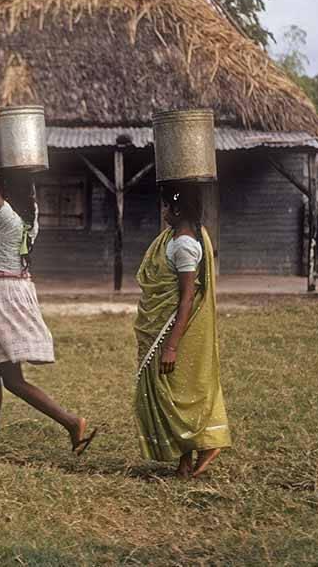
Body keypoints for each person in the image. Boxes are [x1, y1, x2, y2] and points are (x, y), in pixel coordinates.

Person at [0, 103, 97, 454]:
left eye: (2, 186)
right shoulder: (32, 217)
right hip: (10, 291)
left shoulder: (10, 220)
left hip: (5, 294)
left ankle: (72, 422)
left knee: (11, 378)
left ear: (7, 192)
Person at [133, 183, 231, 479]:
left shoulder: (185, 245)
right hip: (165, 328)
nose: (163, 212)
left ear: (176, 209)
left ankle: (205, 446)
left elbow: (187, 296)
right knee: (172, 390)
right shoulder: (173, 239)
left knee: (169, 392)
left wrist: (172, 345)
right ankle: (185, 463)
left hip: (171, 330)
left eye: (166, 206)